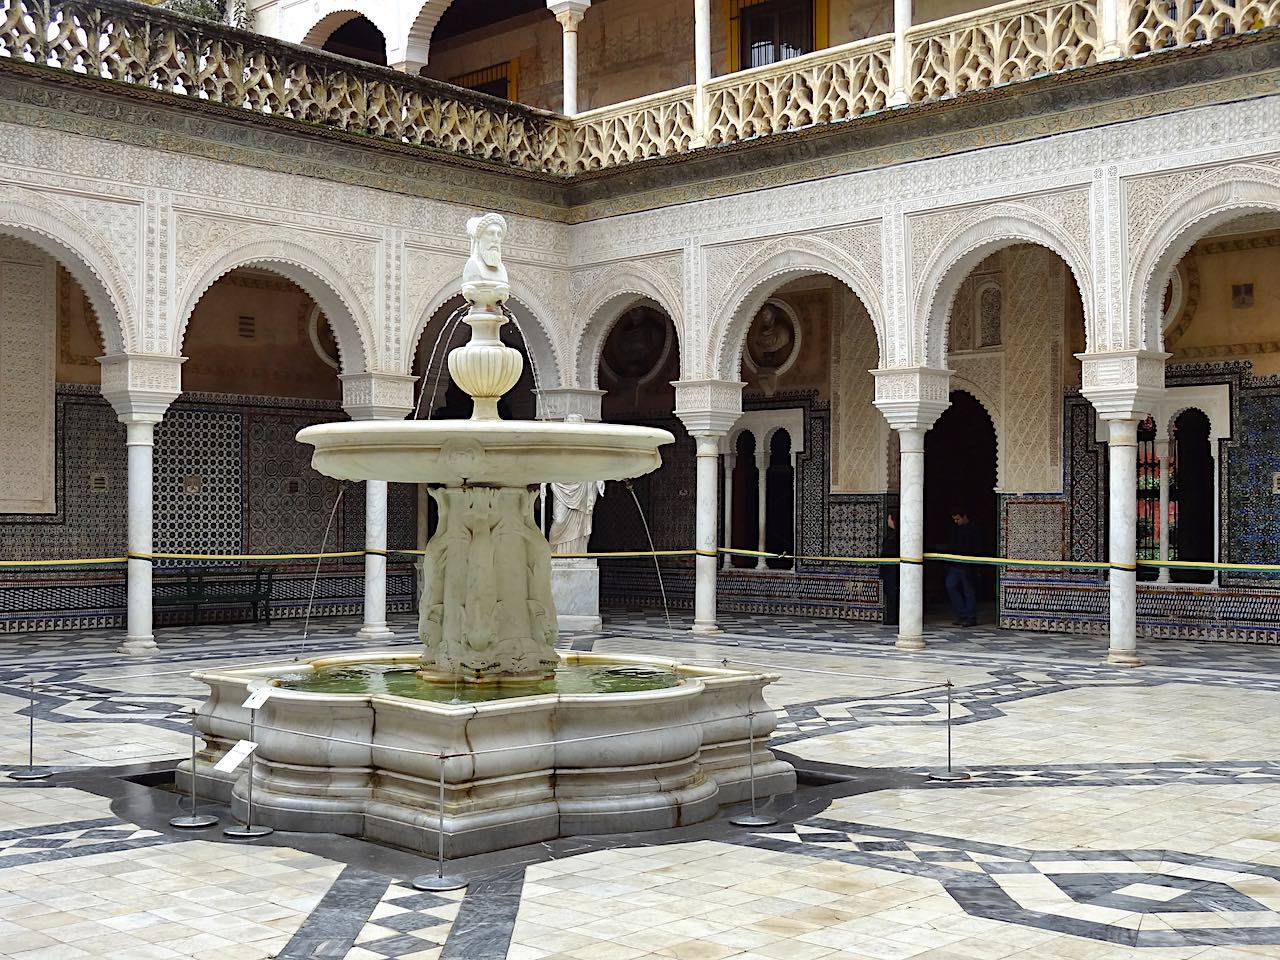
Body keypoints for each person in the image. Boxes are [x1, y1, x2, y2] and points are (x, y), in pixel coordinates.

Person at [945, 508, 980, 627]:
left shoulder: (974, 530)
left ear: (965, 516)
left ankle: (970, 617)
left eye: (958, 519)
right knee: (951, 586)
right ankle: (962, 613)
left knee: (968, 591)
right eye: (954, 519)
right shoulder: (955, 530)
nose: (956, 522)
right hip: (955, 565)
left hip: (968, 566)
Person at [880, 511, 899, 626]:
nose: (888, 521)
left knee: (892, 592)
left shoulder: (896, 536)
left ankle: (894, 617)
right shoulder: (891, 534)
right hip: (888, 568)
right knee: (889, 592)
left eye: (889, 519)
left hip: (892, 568)